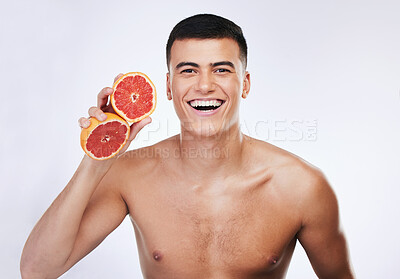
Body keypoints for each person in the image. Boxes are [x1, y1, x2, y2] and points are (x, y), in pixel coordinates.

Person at [20, 14, 354, 278]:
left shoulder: (302, 187)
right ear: (168, 86)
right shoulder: (131, 176)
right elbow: (37, 270)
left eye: (221, 70)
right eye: (188, 70)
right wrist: (96, 161)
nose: (204, 85)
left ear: (245, 83)